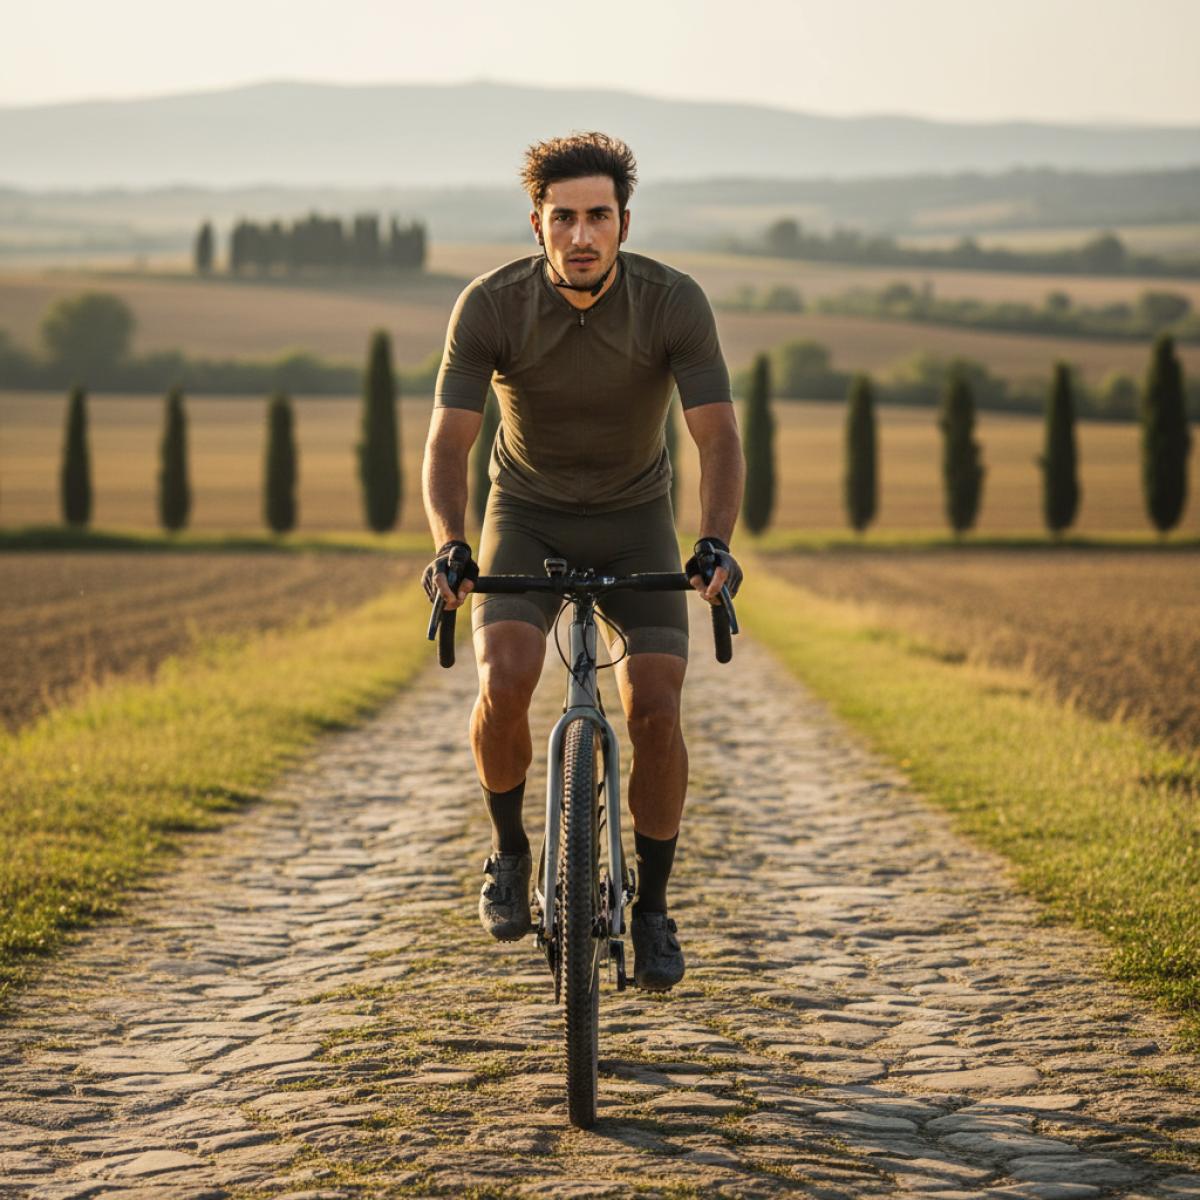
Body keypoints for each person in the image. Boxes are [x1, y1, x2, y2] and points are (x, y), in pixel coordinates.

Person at [421, 132, 744, 991]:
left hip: (637, 517)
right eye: (563, 218)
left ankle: (653, 908)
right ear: (537, 224)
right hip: (525, 513)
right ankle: (510, 852)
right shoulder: (490, 305)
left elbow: (717, 439)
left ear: (625, 222)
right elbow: (449, 446)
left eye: (598, 216)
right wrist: (450, 545)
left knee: (658, 710)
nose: (581, 236)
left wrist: (713, 541)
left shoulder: (674, 302)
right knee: (506, 677)